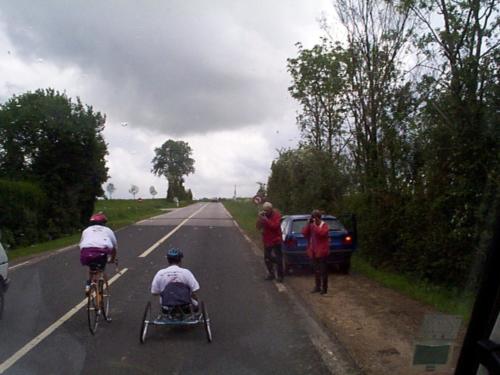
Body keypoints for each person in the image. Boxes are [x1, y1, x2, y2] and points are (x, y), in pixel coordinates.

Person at [79, 212, 118, 294]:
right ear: (103, 222)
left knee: (91, 267)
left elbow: (81, 244)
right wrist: (112, 259)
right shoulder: (108, 230)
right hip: (102, 252)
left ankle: (88, 285)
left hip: (86, 252)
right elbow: (114, 247)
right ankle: (102, 292)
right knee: (102, 268)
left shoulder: (86, 230)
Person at [302, 209, 330, 295]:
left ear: (318, 218)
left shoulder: (324, 225)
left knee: (323, 271)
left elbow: (322, 233)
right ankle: (317, 287)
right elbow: (304, 233)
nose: (313, 219)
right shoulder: (312, 225)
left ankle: (324, 289)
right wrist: (308, 224)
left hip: (322, 252)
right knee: (316, 270)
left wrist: (314, 226)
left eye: (314, 218)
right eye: (312, 217)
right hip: (313, 251)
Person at [256, 201, 283, 282]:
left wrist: (266, 220)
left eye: (267, 210)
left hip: (276, 239)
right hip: (267, 240)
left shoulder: (277, 215)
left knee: (279, 258)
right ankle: (271, 274)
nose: (265, 212)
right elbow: (258, 227)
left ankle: (280, 276)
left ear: (271, 209)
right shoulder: (264, 216)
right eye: (264, 210)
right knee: (267, 258)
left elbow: (275, 226)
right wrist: (260, 219)